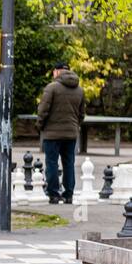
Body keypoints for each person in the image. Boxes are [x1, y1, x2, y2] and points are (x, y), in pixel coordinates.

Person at [37, 62, 86, 204]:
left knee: (52, 163)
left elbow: (43, 110)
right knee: (69, 163)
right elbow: (82, 114)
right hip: (71, 134)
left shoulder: (51, 88)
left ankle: (53, 194)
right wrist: (75, 126)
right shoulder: (80, 90)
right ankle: (68, 194)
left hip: (52, 134)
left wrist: (40, 126)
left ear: (57, 72)